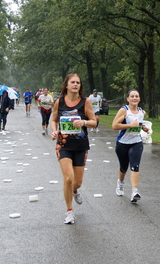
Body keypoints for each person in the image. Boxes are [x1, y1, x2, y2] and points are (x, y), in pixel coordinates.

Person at [50, 73, 96, 224]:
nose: (75, 85)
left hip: (80, 146)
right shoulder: (59, 102)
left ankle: (75, 191)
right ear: (67, 85)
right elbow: (54, 120)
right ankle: (69, 211)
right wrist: (55, 130)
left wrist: (83, 123)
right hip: (63, 145)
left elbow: (93, 122)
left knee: (77, 183)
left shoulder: (85, 102)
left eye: (78, 82)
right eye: (73, 82)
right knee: (68, 179)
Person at [112, 89, 150, 203]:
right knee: (123, 167)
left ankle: (134, 192)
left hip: (136, 142)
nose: (134, 98)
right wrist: (130, 125)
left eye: (136, 96)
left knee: (135, 166)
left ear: (139, 98)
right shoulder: (124, 110)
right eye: (132, 96)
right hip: (123, 143)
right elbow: (114, 125)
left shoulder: (141, 112)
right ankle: (120, 183)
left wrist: (143, 128)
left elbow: (138, 124)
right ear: (128, 99)